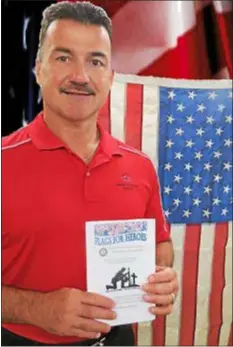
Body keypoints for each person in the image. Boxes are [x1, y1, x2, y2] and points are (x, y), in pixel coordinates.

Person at [2, 1, 178, 346]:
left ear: (110, 77)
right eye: (63, 57)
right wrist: (36, 309)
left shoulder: (138, 166)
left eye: (95, 61)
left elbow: (160, 240)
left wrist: (162, 274)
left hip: (116, 339)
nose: (80, 76)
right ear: (38, 69)